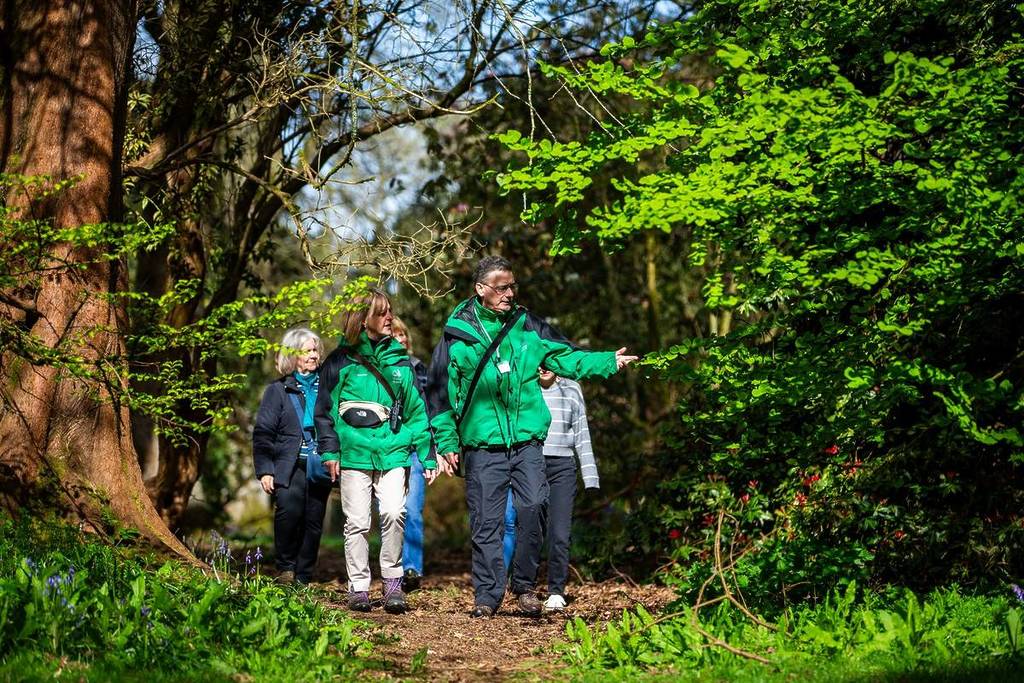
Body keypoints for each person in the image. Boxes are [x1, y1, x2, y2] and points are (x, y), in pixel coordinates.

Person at [428, 255, 637, 618]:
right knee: (486, 523)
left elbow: (566, 357)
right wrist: (447, 443)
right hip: (482, 445)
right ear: (481, 290)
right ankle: (487, 596)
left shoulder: (528, 325)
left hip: (527, 442)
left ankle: (523, 586)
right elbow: (439, 393)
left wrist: (606, 361)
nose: (510, 293)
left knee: (534, 506)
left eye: (513, 286)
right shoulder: (456, 334)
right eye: (502, 287)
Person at [315, 289, 439, 614]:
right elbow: (324, 412)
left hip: (394, 452)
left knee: (394, 513)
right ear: (363, 318)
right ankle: (358, 587)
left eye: (390, 311)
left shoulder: (400, 360)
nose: (389, 318)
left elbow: (416, 410)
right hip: (354, 454)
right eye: (382, 312)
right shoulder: (339, 362)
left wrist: (426, 453)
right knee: (356, 522)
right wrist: (330, 451)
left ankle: (393, 582)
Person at [503, 367, 599, 610]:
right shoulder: (525, 387)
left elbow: (581, 432)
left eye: (549, 362)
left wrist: (590, 475)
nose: (544, 368)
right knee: (530, 527)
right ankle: (525, 586)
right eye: (539, 362)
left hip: (562, 467)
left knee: (560, 532)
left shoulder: (571, 388)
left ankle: (557, 589)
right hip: (530, 463)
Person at [252, 327, 331, 585]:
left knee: (314, 520)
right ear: (293, 355)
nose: (313, 355)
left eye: (315, 349)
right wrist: (265, 469)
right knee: (288, 513)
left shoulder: (329, 385)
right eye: (307, 350)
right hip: (289, 463)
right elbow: (263, 433)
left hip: (320, 462)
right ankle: (286, 568)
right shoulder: (277, 390)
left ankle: (304, 574)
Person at [392, 316, 430, 591]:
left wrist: (434, 451)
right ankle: (391, 567)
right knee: (390, 511)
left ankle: (412, 568)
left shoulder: (418, 369)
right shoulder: (375, 369)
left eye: (403, 335)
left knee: (413, 510)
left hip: (416, 450)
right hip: (389, 450)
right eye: (395, 335)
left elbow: (429, 411)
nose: (401, 339)